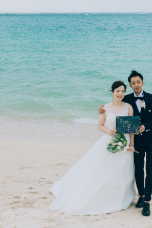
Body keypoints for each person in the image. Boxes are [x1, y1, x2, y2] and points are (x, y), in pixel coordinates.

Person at [49, 81, 136, 215]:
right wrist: (108, 132)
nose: (120, 93)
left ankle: (119, 197)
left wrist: (131, 144)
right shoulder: (105, 108)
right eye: (117, 91)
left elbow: (131, 129)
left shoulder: (128, 107)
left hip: (124, 145)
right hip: (109, 141)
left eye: (123, 91)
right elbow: (100, 125)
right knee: (101, 170)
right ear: (112, 92)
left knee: (122, 173)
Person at [98, 70, 152, 217]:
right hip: (135, 141)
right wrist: (100, 109)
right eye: (133, 83)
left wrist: (145, 126)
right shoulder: (126, 99)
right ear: (130, 85)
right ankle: (141, 195)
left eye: (138, 82)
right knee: (138, 169)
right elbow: (113, 106)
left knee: (150, 170)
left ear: (142, 83)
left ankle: (147, 202)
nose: (136, 84)